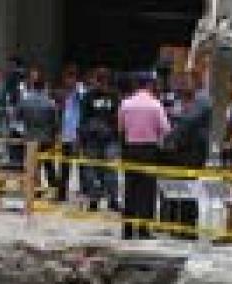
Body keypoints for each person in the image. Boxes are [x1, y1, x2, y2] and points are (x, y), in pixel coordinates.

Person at [117, 73, 170, 240]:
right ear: (149, 85)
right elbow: (166, 128)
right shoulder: (155, 105)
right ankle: (143, 229)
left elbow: (120, 128)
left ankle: (127, 229)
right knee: (147, 191)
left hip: (130, 149)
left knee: (130, 189)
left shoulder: (126, 104)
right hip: (149, 150)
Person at [79, 68, 122, 212]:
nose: (100, 83)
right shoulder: (88, 96)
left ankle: (113, 199)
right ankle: (94, 199)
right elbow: (83, 118)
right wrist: (83, 136)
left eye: (103, 80)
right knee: (91, 171)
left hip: (110, 139)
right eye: (99, 80)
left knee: (110, 170)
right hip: (92, 139)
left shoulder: (114, 96)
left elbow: (118, 117)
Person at [50, 66, 84, 202]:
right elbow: (58, 113)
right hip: (65, 134)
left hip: (78, 134)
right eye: (67, 78)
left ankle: (84, 193)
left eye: (71, 78)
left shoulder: (81, 93)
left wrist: (78, 89)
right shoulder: (62, 95)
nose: (68, 81)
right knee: (64, 166)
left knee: (82, 165)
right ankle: (61, 193)